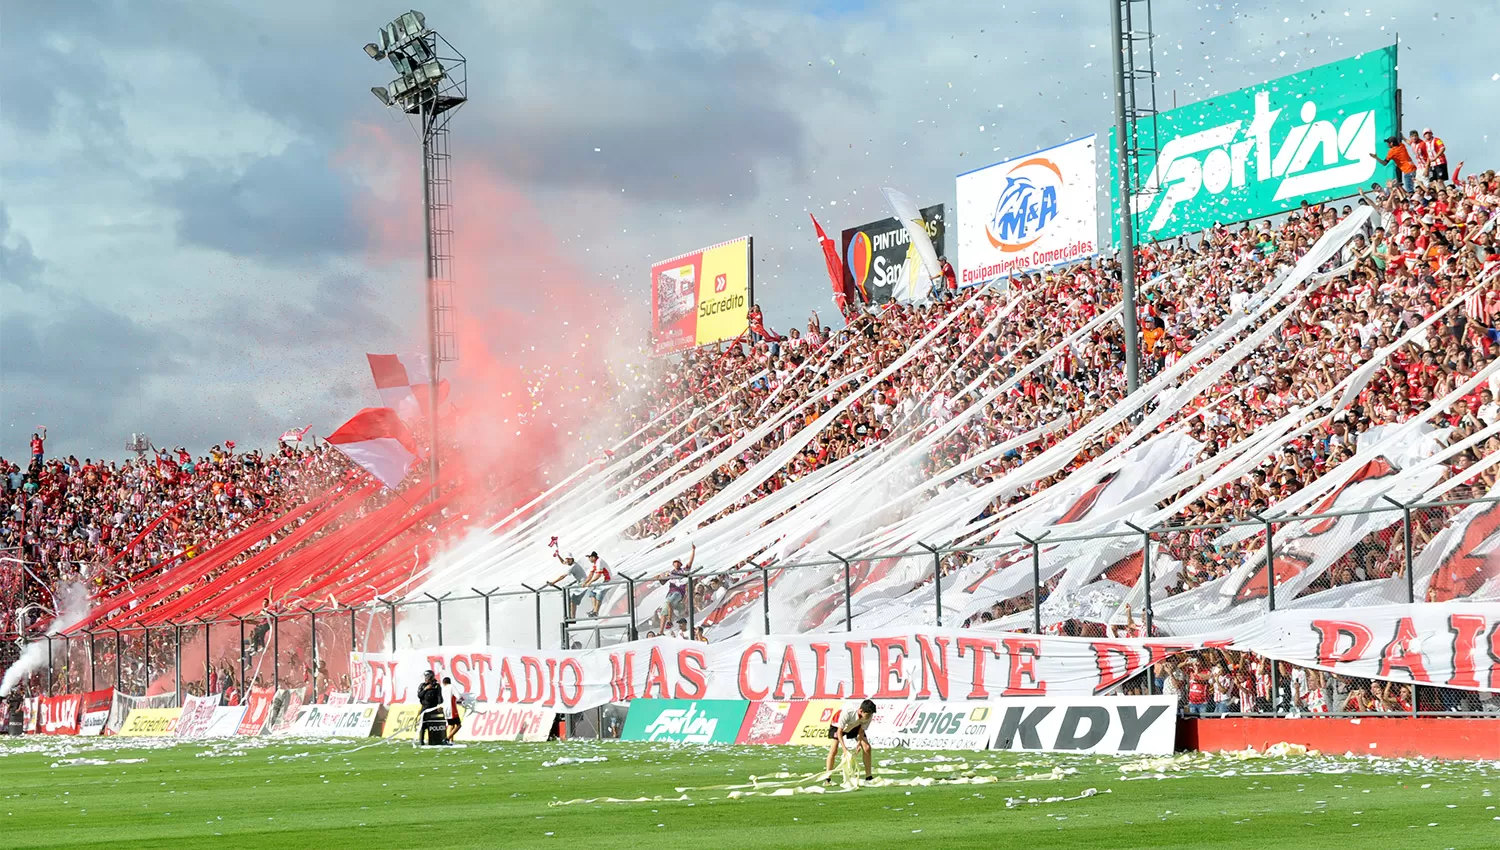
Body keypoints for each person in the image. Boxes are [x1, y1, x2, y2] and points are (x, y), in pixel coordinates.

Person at [824, 699, 877, 784]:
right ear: (861, 711)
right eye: (868, 714)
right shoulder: (848, 713)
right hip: (838, 726)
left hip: (855, 726)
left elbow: (861, 731)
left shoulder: (869, 716)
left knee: (867, 748)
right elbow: (839, 732)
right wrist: (845, 750)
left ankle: (869, 777)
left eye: (871, 714)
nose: (870, 716)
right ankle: (827, 778)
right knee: (834, 750)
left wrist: (859, 743)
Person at [659, 543, 695, 630]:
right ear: (673, 564)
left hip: (679, 592)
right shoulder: (670, 573)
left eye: (678, 562)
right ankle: (661, 631)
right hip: (670, 593)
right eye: (675, 562)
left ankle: (670, 621)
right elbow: (662, 582)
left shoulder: (683, 571)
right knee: (664, 611)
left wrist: (693, 551)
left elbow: (690, 563)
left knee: (668, 603)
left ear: (680, 564)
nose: (677, 564)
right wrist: (661, 577)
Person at [416, 670, 445, 745]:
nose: (426, 678)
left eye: (427, 677)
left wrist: (439, 705)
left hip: (433, 708)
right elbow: (419, 695)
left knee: (433, 725)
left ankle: (434, 740)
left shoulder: (436, 686)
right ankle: (421, 741)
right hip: (425, 707)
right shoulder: (422, 685)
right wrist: (426, 689)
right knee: (423, 725)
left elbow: (439, 697)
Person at [580, 552, 612, 617]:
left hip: (607, 580)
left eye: (589, 557)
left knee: (599, 593)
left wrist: (590, 582)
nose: (588, 559)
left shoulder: (599, 562)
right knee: (592, 594)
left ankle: (596, 612)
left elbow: (598, 575)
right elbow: (591, 574)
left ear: (593, 557)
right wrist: (585, 582)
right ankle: (595, 611)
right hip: (602, 581)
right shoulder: (595, 563)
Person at [442, 675, 462, 742]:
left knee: (451, 725)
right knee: (458, 725)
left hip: (445, 709)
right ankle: (447, 738)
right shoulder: (451, 687)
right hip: (452, 709)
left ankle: (451, 741)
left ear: (443, 683)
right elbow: (458, 696)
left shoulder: (443, 689)